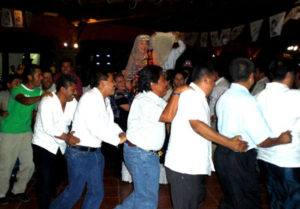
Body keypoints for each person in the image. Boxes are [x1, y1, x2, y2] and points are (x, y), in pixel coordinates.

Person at [164, 63, 247, 209]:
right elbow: (197, 125)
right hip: (184, 165)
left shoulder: (197, 96)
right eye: (214, 81)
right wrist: (229, 143)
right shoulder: (191, 96)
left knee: (193, 202)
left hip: (190, 164)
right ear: (206, 80)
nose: (214, 85)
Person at [214, 57, 291, 209]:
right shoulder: (248, 101)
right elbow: (262, 140)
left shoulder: (224, 97)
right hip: (239, 158)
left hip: (223, 153)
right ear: (252, 76)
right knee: (247, 202)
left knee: (231, 199)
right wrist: (281, 139)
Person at [50, 71, 127, 209]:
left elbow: (109, 123)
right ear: (103, 83)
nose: (115, 84)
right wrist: (117, 140)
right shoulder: (90, 98)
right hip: (80, 153)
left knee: (96, 193)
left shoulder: (106, 100)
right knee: (74, 192)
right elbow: (95, 127)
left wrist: (121, 132)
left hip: (95, 153)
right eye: (112, 81)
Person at [115, 65, 186, 209]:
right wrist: (177, 92)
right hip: (140, 154)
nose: (167, 83)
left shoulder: (155, 99)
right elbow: (167, 116)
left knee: (143, 194)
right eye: (163, 80)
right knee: (147, 199)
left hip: (146, 154)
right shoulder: (144, 101)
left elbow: (171, 110)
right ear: (152, 84)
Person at [0, 65, 51, 205]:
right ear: (30, 76)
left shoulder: (38, 91)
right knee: (6, 165)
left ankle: (18, 190)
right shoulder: (17, 89)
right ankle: (1, 193)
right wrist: (41, 97)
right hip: (9, 132)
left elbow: (35, 110)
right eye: (38, 75)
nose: (40, 78)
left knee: (29, 164)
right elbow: (24, 100)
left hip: (26, 131)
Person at [256, 59, 300, 209]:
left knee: (275, 199)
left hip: (265, 157)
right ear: (289, 75)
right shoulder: (296, 96)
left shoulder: (259, 97)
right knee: (293, 201)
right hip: (289, 160)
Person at [32, 75, 79, 209]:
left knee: (57, 178)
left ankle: (51, 200)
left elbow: (78, 118)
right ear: (63, 89)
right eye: (73, 90)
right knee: (45, 181)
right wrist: (68, 137)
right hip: (44, 145)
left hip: (60, 146)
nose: (75, 93)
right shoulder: (47, 101)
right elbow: (48, 127)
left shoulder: (72, 102)